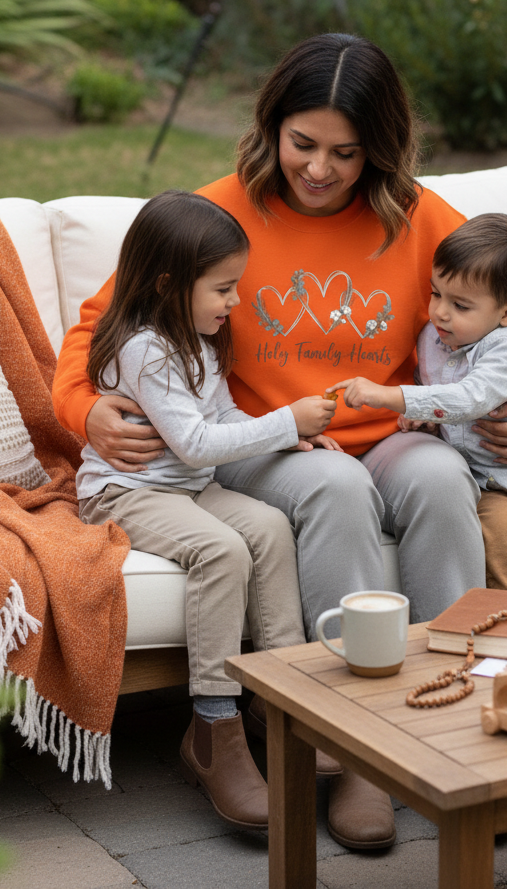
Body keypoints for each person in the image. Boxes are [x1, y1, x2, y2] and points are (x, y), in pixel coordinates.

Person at [53, 33, 507, 849]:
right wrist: (85, 411)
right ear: (272, 127)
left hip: (387, 429)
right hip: (264, 441)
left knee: (444, 478)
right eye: (303, 144)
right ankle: (355, 744)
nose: (321, 169)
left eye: (347, 151)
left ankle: (454, 716)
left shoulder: (417, 215)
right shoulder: (215, 212)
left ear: (381, 147)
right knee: (335, 489)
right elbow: (103, 325)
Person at [74, 190, 338, 831]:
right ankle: (214, 731)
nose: (235, 301)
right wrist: (286, 418)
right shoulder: (145, 349)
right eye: (223, 288)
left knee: (271, 528)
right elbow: (193, 442)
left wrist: (286, 437)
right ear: (169, 283)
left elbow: (219, 420)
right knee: (220, 549)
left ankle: (285, 701)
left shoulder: (196, 336)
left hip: (188, 486)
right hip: (127, 490)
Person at [329, 213, 507, 596]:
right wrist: (424, 421)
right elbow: (432, 388)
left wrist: (388, 397)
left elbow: (468, 398)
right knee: (500, 551)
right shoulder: (434, 336)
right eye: (436, 294)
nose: (440, 312)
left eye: (460, 305)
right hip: (486, 484)